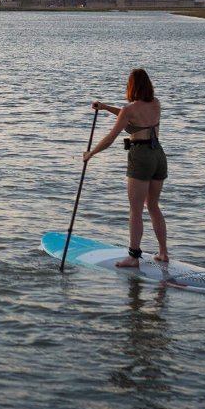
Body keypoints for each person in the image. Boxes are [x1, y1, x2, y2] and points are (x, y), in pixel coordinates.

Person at [83, 68, 169, 267]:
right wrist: (105, 107)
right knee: (153, 206)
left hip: (140, 156)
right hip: (158, 155)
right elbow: (129, 116)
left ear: (131, 86)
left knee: (136, 210)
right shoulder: (156, 103)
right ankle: (163, 252)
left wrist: (91, 154)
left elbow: (111, 138)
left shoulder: (129, 109)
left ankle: (133, 257)